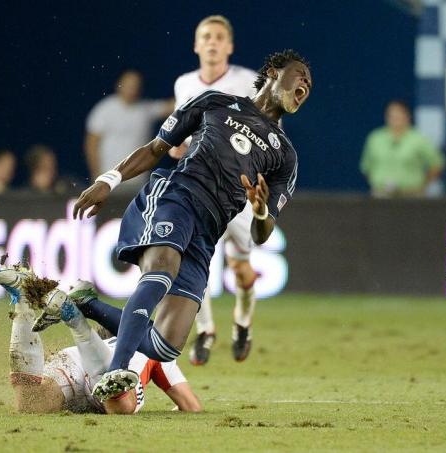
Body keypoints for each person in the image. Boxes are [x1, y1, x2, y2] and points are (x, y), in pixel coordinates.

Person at [71, 49, 311, 401]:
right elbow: (156, 148)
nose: (306, 82)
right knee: (164, 266)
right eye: (301, 74)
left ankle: (85, 303)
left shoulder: (285, 155)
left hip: (208, 231)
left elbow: (263, 233)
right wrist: (109, 179)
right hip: (177, 196)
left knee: (166, 345)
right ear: (274, 72)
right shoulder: (216, 102)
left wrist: (260, 212)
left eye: (310, 82)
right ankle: (116, 371)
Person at [0, 264, 201, 414]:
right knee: (122, 407)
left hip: (75, 359)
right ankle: (75, 319)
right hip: (107, 371)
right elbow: (190, 405)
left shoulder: (114, 337)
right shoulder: (153, 349)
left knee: (30, 403)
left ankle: (23, 298)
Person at [172, 15, 261, 366]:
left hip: (239, 193)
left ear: (229, 46)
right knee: (196, 263)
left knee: (242, 271)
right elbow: (182, 131)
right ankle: (206, 330)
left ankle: (243, 323)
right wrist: (178, 146)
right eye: (205, 36)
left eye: (219, 37)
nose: (212, 42)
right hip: (200, 188)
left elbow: (268, 134)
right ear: (196, 45)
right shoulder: (184, 84)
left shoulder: (249, 82)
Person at [85, 70, 173, 191]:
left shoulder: (145, 109)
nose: (132, 88)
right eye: (129, 84)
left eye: (136, 85)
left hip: (138, 182)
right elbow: (91, 144)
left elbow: (171, 106)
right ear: (119, 84)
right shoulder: (104, 109)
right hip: (109, 181)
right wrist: (96, 175)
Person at [360, 100, 444, 197]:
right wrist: (377, 183)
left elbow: (437, 164)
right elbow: (366, 167)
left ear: (407, 117)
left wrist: (423, 186)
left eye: (399, 115)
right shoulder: (375, 138)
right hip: (381, 194)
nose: (395, 119)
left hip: (411, 195)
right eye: (392, 116)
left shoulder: (418, 139)